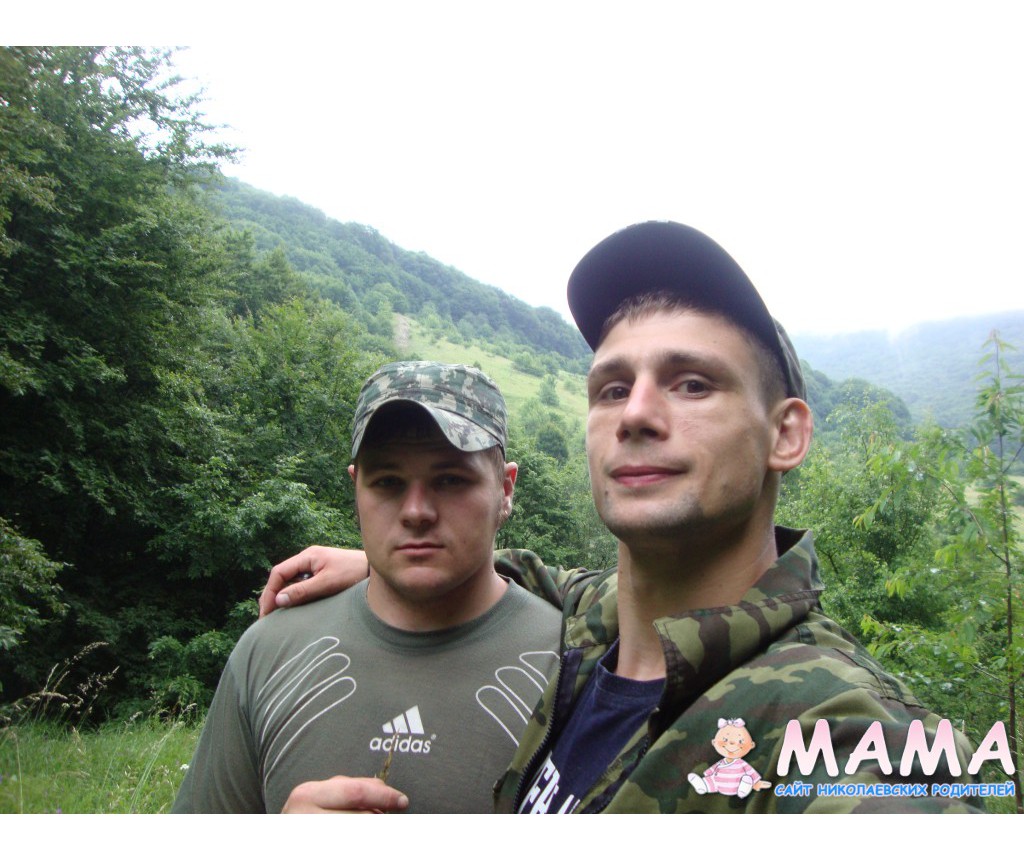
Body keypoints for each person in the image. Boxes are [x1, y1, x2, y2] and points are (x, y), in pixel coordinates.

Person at [263, 222, 983, 813]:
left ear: (785, 434)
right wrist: (389, 560)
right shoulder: (602, 623)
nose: (635, 413)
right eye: (611, 389)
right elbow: (535, 573)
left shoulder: (842, 730)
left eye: (692, 384)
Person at [173, 361, 561, 813]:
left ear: (505, 489)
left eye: (450, 480)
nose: (416, 511)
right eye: (388, 482)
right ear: (356, 489)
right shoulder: (268, 655)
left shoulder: (576, 664)